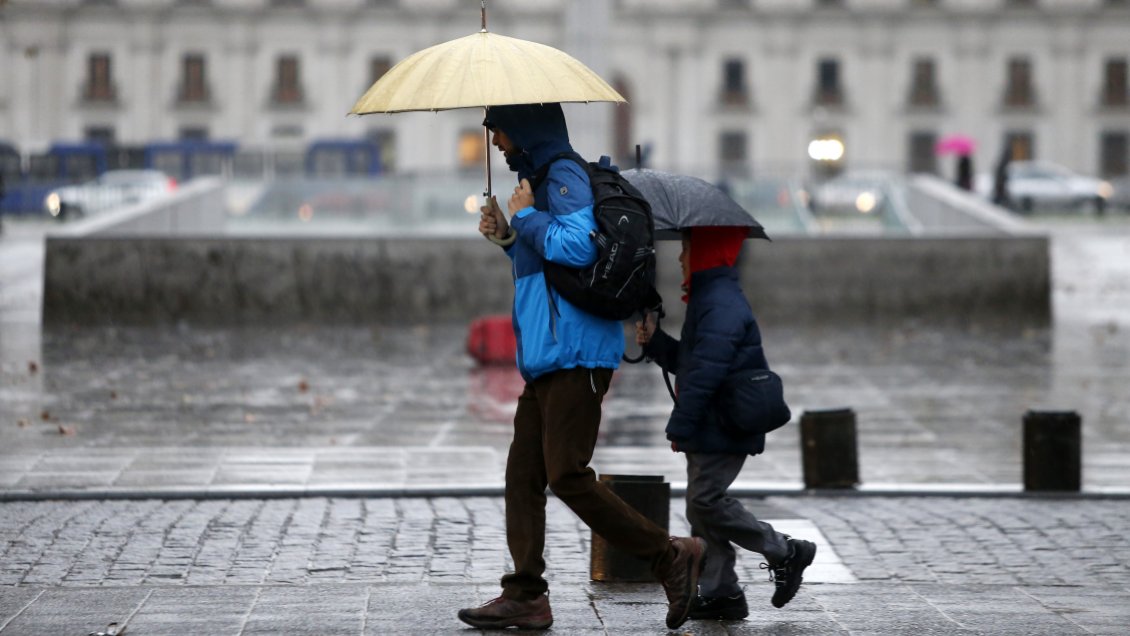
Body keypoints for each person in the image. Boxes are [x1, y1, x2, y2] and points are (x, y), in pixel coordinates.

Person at [457, 102, 705, 631]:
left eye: (499, 129)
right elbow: (544, 268)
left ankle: (669, 555)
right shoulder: (538, 181)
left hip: (576, 352)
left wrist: (526, 217)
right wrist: (508, 236)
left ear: (525, 127)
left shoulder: (563, 174)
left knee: (567, 474)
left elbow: (577, 247)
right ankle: (525, 594)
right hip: (548, 355)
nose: (496, 141)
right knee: (522, 476)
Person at [635, 226, 817, 620]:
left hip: (722, 422)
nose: (680, 258)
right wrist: (656, 343)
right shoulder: (710, 298)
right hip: (714, 420)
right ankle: (722, 592)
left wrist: (682, 422)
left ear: (706, 253)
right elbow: (695, 363)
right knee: (700, 508)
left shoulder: (719, 303)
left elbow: (706, 373)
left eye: (686, 250)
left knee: (706, 501)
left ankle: (786, 551)